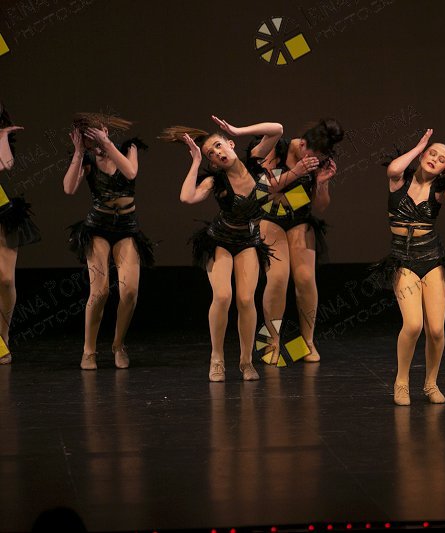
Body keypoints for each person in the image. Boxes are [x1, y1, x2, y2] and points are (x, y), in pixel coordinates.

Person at [161, 116, 282, 381]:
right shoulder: (216, 180)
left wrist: (238, 130)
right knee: (224, 296)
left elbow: (277, 130)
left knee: (246, 300)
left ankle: (246, 361)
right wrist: (196, 161)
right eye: (211, 154)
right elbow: (187, 197)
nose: (216, 153)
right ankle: (217, 358)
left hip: (248, 240)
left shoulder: (254, 162)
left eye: (218, 146)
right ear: (213, 163)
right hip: (220, 240)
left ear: (230, 144)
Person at [373, 129, 445, 405]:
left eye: (441, 159)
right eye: (432, 154)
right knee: (413, 324)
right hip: (403, 260)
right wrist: (418, 147)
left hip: (432, 259)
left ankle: (431, 383)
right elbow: (393, 168)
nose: (434, 159)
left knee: (436, 330)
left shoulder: (439, 191)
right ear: (422, 155)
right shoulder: (399, 180)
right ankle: (402, 381)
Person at [63, 113, 152, 370]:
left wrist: (106, 143)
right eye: (87, 139)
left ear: (104, 130)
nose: (93, 142)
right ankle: (89, 350)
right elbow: (68, 188)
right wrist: (78, 152)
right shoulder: (87, 159)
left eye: (95, 136)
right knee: (99, 291)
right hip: (98, 228)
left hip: (126, 228)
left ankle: (118, 344)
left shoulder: (128, 148)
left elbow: (131, 172)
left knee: (130, 291)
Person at [256, 119, 343, 364]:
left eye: (319, 158)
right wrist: (296, 171)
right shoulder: (279, 148)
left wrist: (322, 183)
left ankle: (307, 342)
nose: (314, 160)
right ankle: (271, 341)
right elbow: (265, 190)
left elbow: (320, 206)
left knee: (305, 279)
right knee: (278, 278)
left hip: (300, 218)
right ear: (302, 144)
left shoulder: (319, 160)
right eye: (311, 156)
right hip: (270, 216)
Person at [0, 102, 41, 364]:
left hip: (2, 210)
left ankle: (3, 335)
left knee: (5, 280)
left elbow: (5, 163)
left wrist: (2, 135)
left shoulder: (1, 136)